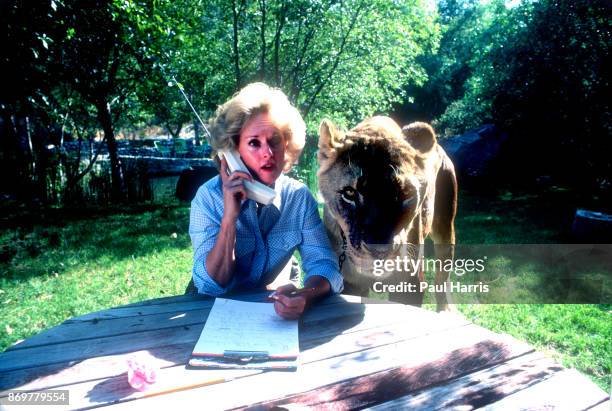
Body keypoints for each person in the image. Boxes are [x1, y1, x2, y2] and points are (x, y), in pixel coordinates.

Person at [189, 83, 343, 319]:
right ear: (233, 152)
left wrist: (306, 294)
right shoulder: (208, 198)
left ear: (287, 146)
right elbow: (211, 285)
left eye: (275, 141)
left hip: (266, 310)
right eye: (254, 143)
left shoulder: (298, 198)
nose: (268, 153)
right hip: (206, 310)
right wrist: (230, 218)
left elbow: (324, 264)